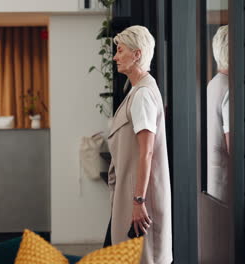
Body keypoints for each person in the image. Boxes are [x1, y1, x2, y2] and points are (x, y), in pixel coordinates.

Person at [105, 25, 172, 264]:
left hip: (137, 199)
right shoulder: (139, 91)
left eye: (120, 50)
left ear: (137, 54)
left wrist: (139, 202)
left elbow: (147, 152)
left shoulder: (142, 95)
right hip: (129, 194)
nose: (115, 57)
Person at [207, 25, 229, 202]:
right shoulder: (230, 88)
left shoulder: (212, 85)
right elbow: (233, 147)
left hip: (211, 184)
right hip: (226, 185)